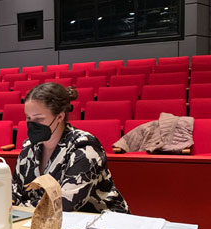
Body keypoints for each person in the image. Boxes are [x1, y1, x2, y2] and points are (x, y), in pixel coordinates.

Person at [12, 82, 129, 213]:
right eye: (28, 118)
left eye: (39, 119)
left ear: (60, 117)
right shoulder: (29, 146)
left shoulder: (85, 146)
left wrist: (18, 207)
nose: (32, 124)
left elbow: (65, 203)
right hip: (42, 222)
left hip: (100, 224)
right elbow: (15, 192)